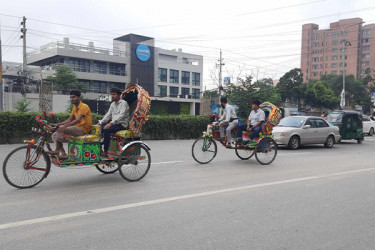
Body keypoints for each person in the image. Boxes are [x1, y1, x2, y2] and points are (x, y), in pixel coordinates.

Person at [52, 90, 92, 159]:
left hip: (83, 129)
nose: (71, 99)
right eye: (70, 97)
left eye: (73, 97)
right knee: (54, 135)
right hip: (76, 128)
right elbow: (69, 120)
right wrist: (58, 124)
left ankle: (56, 150)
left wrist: (64, 126)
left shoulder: (84, 106)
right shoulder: (74, 108)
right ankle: (63, 153)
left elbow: (78, 120)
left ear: (79, 97)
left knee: (60, 129)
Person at [99, 87, 130, 157]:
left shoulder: (124, 103)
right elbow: (108, 115)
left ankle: (106, 151)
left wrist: (111, 123)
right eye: (111, 94)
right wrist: (101, 122)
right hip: (114, 124)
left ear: (119, 95)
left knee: (106, 129)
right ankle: (100, 148)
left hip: (121, 124)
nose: (112, 96)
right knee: (100, 128)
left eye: (114, 94)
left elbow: (121, 115)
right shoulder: (112, 104)